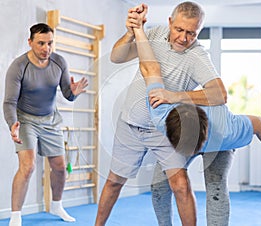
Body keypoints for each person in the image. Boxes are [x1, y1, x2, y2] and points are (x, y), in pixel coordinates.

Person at [95, 2, 232, 226]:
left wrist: (175, 96)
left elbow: (220, 94)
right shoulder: (155, 33)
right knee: (114, 182)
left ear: (199, 31)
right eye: (179, 29)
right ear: (170, 22)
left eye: (191, 33)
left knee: (180, 185)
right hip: (130, 124)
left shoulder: (198, 56)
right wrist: (131, 32)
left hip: (164, 131)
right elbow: (117, 57)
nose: (183, 38)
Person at [133, 18, 261, 175]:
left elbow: (260, 124)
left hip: (220, 144)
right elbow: (150, 67)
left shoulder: (227, 130)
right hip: (186, 131)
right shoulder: (161, 114)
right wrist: (138, 29)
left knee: (216, 186)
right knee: (160, 184)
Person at [3, 23, 88, 226]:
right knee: (28, 166)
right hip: (26, 120)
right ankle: (16, 216)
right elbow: (9, 102)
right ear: (30, 42)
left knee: (59, 167)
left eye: (50, 43)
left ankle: (57, 205)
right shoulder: (19, 66)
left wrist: (73, 93)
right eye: (41, 43)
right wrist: (12, 123)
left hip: (51, 120)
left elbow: (68, 94)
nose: (46, 48)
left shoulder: (59, 62)